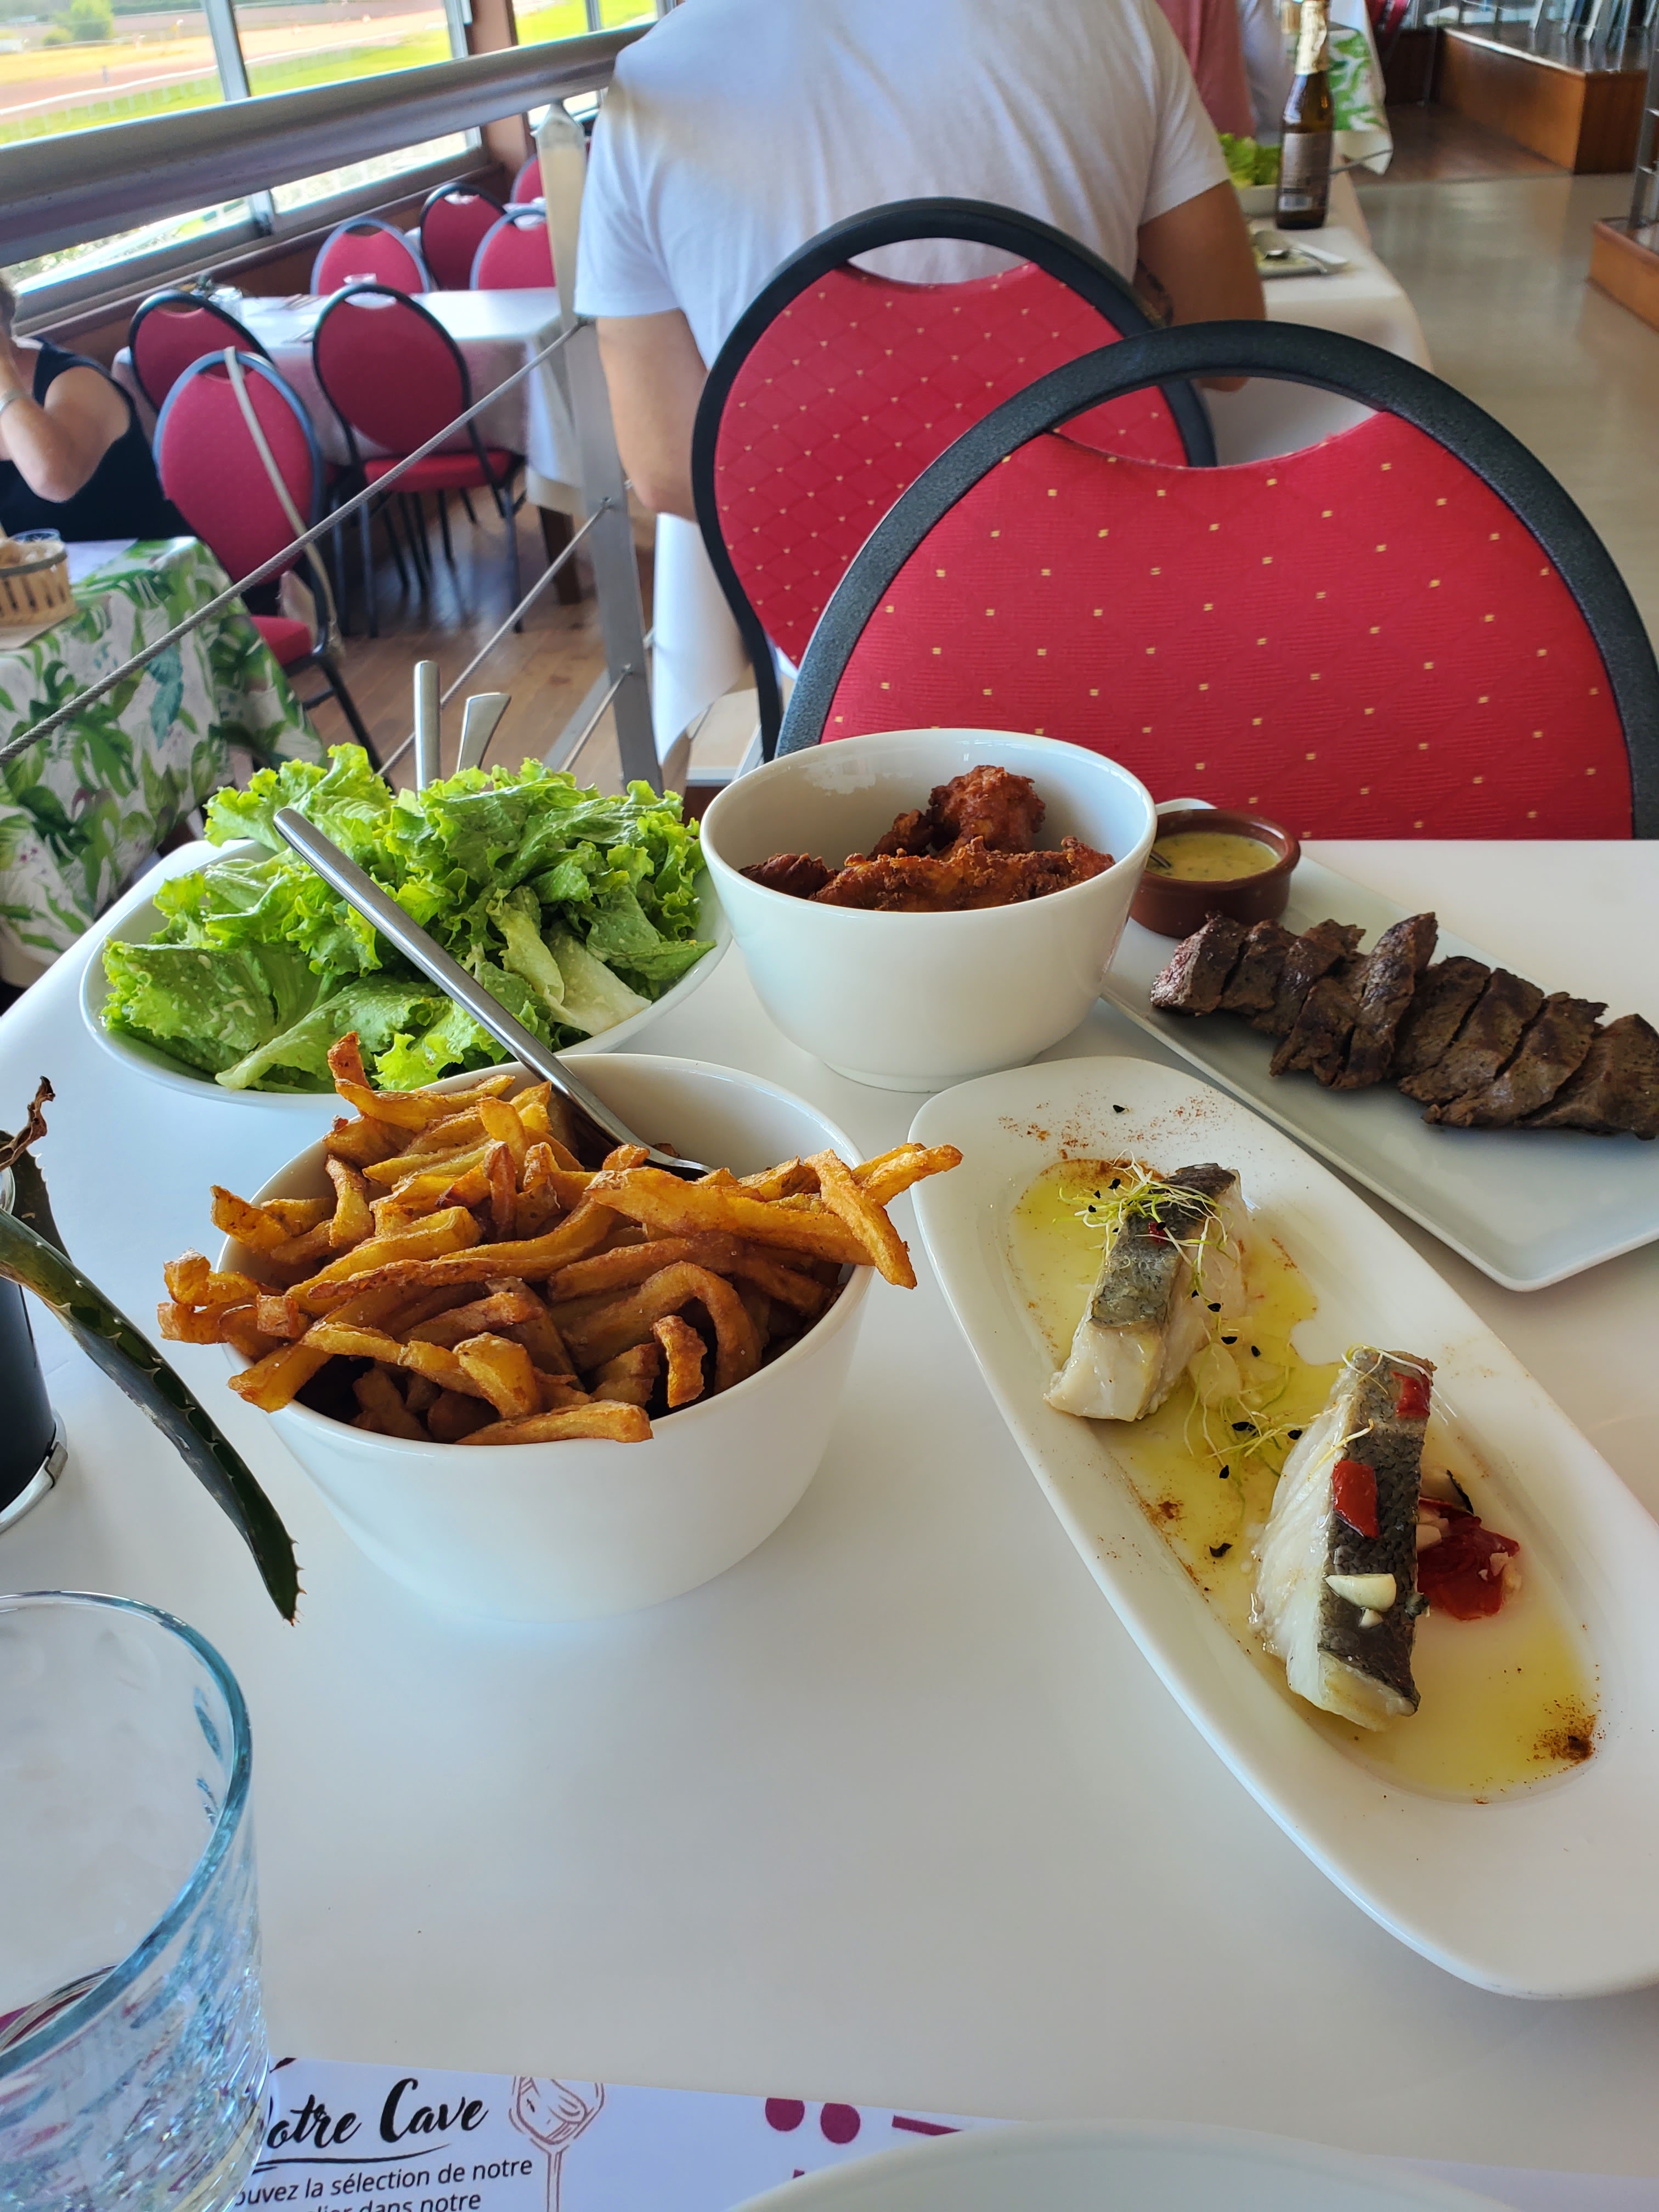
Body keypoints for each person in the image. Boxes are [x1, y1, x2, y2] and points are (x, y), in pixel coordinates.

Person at [575, 0, 1266, 522]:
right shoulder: (1117, 17)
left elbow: (669, 466)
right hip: (1101, 595)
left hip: (838, 645)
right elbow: (1227, 347)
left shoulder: (651, 84)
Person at [0, 276, 185, 542]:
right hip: (43, 569)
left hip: (148, 563)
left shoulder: (75, 380)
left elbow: (55, 481)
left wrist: (2, 370)